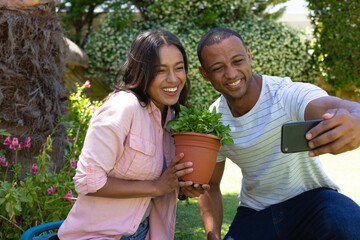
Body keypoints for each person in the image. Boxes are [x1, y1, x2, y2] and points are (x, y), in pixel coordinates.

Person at [194, 27, 360, 240]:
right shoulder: (214, 119)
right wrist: (213, 234)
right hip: (257, 212)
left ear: (249, 56)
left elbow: (329, 105)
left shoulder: (285, 95)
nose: (231, 73)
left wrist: (356, 116)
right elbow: (211, 185)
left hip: (313, 202)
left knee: (348, 225)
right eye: (218, 67)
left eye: (237, 61)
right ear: (204, 74)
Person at [58, 29, 195, 240]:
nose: (173, 78)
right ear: (142, 71)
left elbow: (160, 179)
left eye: (179, 68)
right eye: (161, 70)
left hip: (147, 232)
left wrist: (183, 188)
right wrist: (156, 187)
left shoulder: (172, 116)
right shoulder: (124, 107)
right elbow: (88, 181)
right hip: (98, 235)